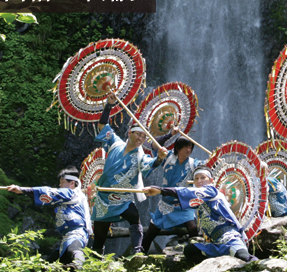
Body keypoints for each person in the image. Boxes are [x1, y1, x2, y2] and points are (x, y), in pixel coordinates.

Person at [91, 93, 168, 255]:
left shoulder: (141, 155)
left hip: (123, 197)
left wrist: (159, 158)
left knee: (134, 216)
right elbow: (102, 125)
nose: (141, 138)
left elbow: (150, 164)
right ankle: (96, 259)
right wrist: (108, 106)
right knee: (99, 235)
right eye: (138, 134)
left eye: (144, 136)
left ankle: (138, 251)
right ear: (130, 133)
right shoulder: (115, 143)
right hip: (104, 196)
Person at [143, 165, 259, 263]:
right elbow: (190, 199)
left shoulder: (211, 191)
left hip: (229, 236)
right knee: (189, 250)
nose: (199, 181)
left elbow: (190, 192)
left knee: (245, 257)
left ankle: (242, 255)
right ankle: (228, 252)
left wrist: (161, 190)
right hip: (216, 242)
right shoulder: (201, 201)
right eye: (196, 179)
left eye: (203, 178)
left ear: (211, 180)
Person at [7, 167, 91, 270]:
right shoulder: (71, 197)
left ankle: (78, 265)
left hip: (76, 233)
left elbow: (49, 192)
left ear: (72, 183)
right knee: (48, 265)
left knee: (73, 249)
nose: (60, 185)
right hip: (67, 236)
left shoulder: (71, 193)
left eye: (62, 182)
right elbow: (51, 197)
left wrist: (22, 190)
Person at [141, 126, 203, 254]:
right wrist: (170, 134)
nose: (188, 149)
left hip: (184, 206)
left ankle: (195, 254)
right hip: (166, 205)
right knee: (151, 233)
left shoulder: (194, 163)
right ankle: (138, 255)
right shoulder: (167, 157)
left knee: (193, 229)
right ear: (178, 148)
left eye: (190, 147)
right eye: (186, 146)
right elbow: (154, 145)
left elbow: (207, 168)